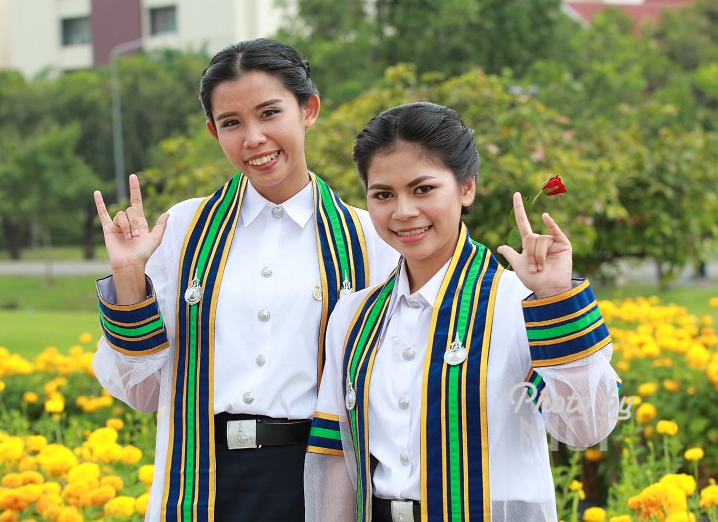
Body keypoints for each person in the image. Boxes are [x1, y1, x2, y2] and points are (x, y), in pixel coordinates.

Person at [91, 38, 398, 522]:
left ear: (309, 110)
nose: (253, 138)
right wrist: (129, 278)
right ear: (214, 132)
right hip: (203, 482)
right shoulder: (182, 230)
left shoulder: (369, 239)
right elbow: (141, 393)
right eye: (232, 123)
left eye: (269, 113)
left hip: (320, 479)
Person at [305, 102, 620, 522]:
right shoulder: (353, 316)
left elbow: (587, 430)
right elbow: (335, 457)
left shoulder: (517, 304)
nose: (403, 212)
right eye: (383, 194)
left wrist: (555, 297)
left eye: (423, 189)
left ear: (466, 187)